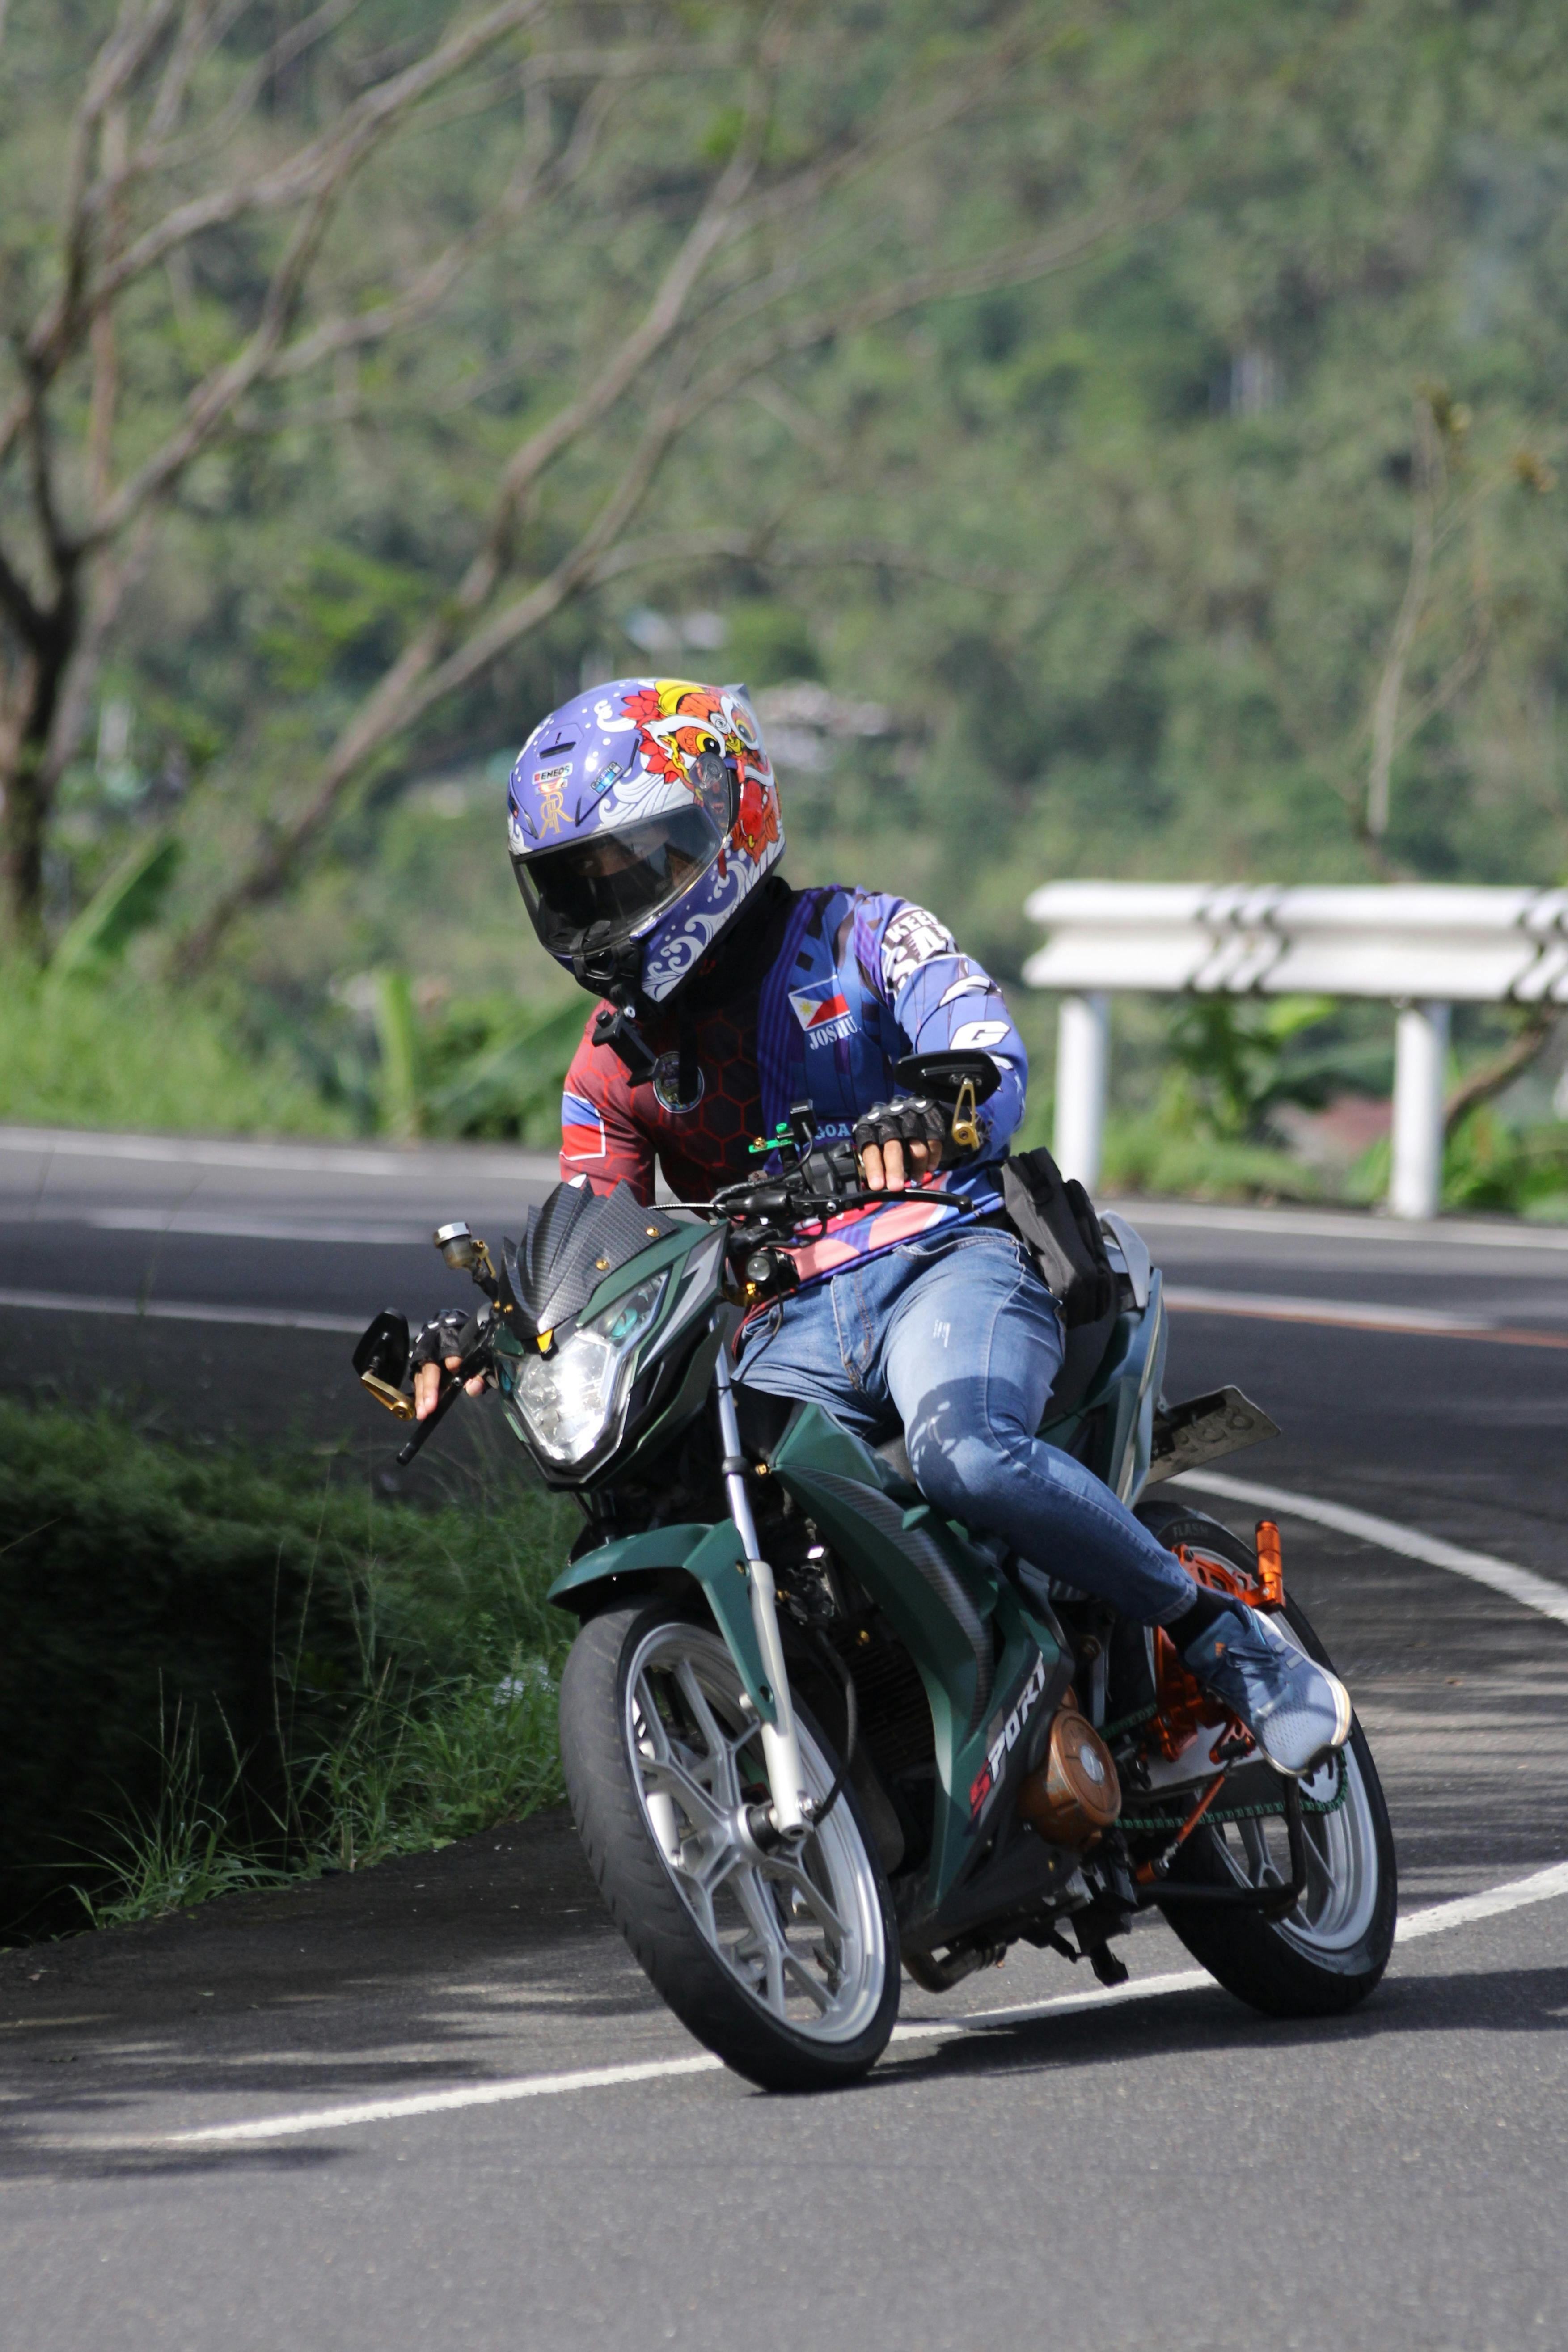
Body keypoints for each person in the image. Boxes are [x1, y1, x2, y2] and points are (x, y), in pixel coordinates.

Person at [417, 675, 1350, 1776]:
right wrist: (507, 1330)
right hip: (779, 1332)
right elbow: (594, 1237)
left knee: (963, 1457)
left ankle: (1222, 1638)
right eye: (574, 884)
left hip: (942, 1265)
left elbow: (987, 1059)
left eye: (632, 863)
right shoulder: (613, 1064)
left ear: (729, 816)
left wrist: (934, 1107)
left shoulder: (867, 936)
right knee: (716, 1505)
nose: (605, 904)